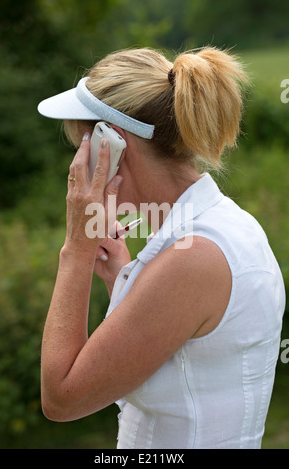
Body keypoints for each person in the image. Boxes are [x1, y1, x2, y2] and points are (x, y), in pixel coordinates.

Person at [38, 47, 285, 449]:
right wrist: (122, 275)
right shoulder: (229, 226)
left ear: (109, 146)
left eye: (81, 147)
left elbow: (62, 397)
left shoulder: (193, 258)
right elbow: (183, 354)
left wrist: (76, 251)